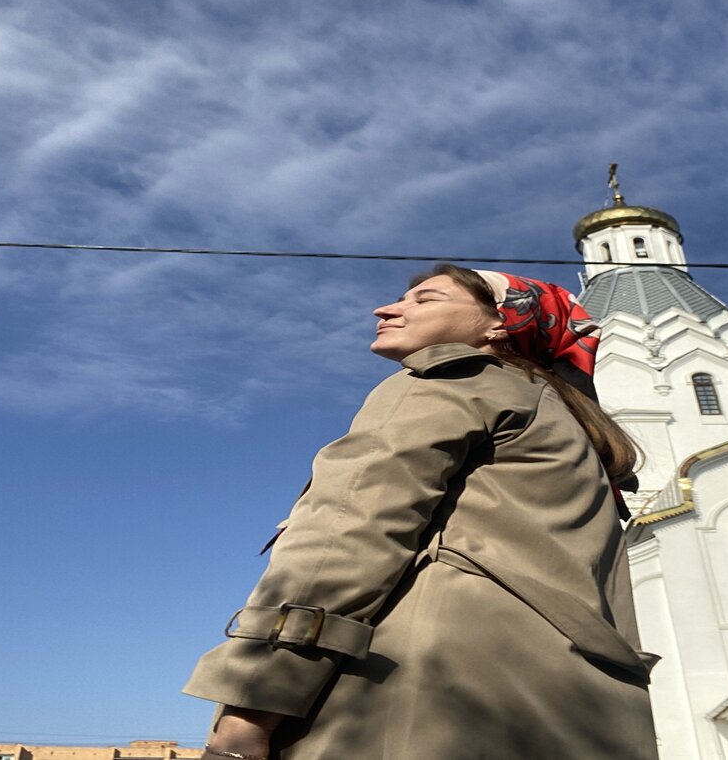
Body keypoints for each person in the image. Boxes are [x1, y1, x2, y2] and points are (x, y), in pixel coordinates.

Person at [185, 264, 660, 759]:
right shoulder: (571, 430)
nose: (386, 308)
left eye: (425, 299)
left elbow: (346, 536)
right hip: (576, 715)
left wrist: (250, 708)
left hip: (425, 702)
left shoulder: (451, 380)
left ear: (498, 324)